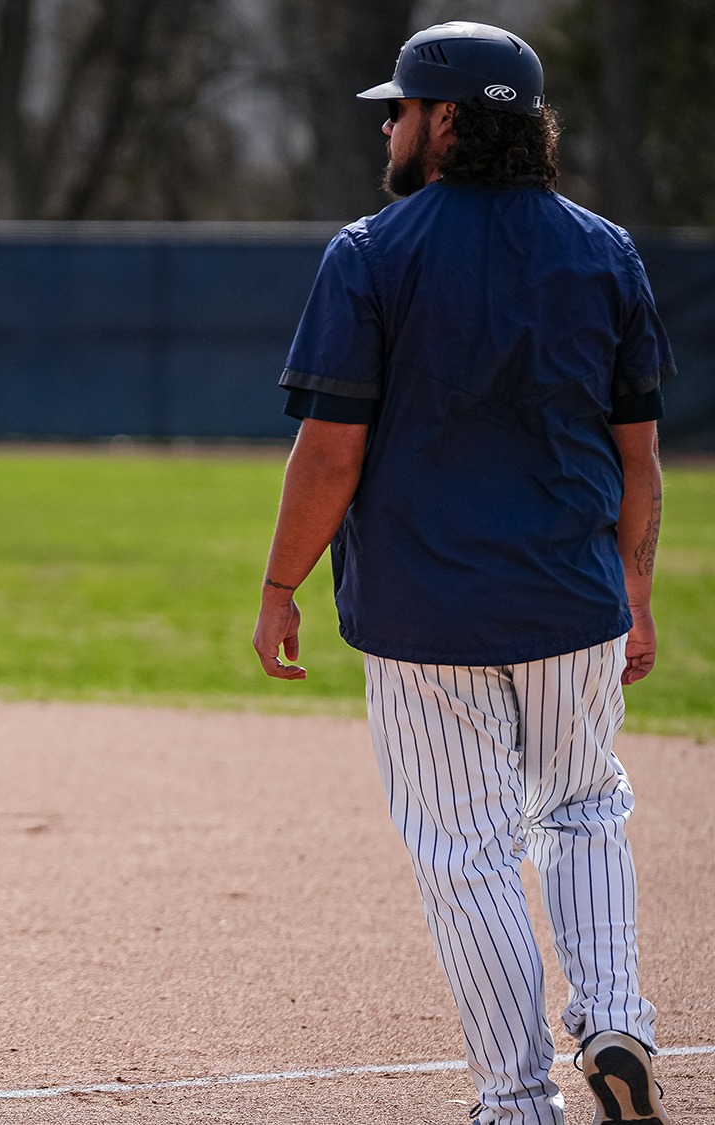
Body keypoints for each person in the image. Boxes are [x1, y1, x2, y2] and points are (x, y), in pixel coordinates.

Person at [251, 22, 672, 1125]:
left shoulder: (370, 253)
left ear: (444, 121)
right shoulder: (604, 251)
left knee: (466, 855)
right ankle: (614, 1017)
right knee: (583, 808)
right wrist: (634, 595)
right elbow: (637, 456)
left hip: (421, 613)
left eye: (397, 108)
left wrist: (280, 586)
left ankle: (516, 1100)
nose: (387, 127)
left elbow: (329, 452)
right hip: (573, 600)